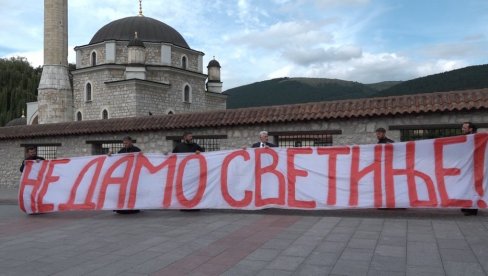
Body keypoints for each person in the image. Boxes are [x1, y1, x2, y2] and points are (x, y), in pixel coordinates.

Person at [172, 132, 205, 212]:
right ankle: (184, 206)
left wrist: (199, 153)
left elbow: (203, 152)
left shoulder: (195, 146)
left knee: (194, 188)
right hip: (183, 172)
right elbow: (173, 156)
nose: (191, 138)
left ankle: (194, 205)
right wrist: (165, 154)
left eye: (192, 136)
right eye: (190, 136)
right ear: (185, 137)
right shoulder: (179, 146)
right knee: (184, 189)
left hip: (193, 171)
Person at [112, 136, 141, 214]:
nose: (125, 145)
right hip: (124, 175)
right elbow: (116, 159)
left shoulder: (137, 150)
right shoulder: (121, 151)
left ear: (131, 142)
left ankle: (133, 208)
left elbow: (142, 159)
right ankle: (122, 208)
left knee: (132, 191)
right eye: (124, 143)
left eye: (127, 143)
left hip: (134, 174)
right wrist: (110, 155)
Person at [461, 122, 479, 216]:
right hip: (468, 168)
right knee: (467, 186)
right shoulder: (466, 138)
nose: (462, 129)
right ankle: (466, 206)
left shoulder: (475, 138)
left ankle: (472, 209)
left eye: (464, 128)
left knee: (472, 188)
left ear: (470, 129)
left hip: (474, 168)